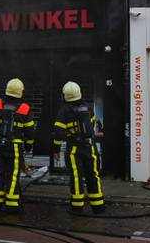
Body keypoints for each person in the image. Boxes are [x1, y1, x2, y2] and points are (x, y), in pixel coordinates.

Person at [52, 82, 104, 214]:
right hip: (90, 147)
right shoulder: (88, 107)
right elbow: (92, 124)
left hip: (74, 148)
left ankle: (77, 207)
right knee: (93, 175)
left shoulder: (64, 111)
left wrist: (56, 149)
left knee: (76, 176)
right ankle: (98, 206)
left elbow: (58, 132)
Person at [0, 78, 35, 213]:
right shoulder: (25, 108)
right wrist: (28, 146)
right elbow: (30, 132)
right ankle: (12, 205)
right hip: (14, 147)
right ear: (21, 92)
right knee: (12, 175)